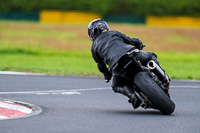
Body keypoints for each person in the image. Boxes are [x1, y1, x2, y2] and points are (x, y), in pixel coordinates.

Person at [88, 19, 170, 109]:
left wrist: (107, 75)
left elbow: (101, 65)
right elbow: (133, 41)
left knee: (116, 86)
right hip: (132, 54)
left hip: (116, 66)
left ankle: (131, 95)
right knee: (151, 56)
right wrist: (140, 45)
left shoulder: (94, 47)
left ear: (92, 34)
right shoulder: (114, 33)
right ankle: (163, 77)